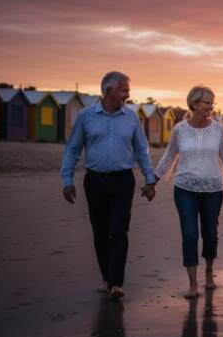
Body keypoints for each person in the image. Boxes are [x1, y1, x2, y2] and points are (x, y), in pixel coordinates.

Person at [61, 71, 156, 300]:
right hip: (94, 181)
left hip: (123, 180)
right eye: (123, 90)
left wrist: (149, 179)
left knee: (119, 230)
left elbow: (142, 150)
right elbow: (73, 149)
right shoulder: (86, 116)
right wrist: (67, 179)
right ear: (107, 91)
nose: (128, 94)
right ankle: (107, 278)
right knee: (100, 233)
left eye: (127, 90)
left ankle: (116, 283)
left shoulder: (131, 118)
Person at [154, 86, 223, 299]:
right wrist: (152, 182)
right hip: (185, 188)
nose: (210, 106)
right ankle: (193, 283)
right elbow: (169, 157)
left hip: (213, 189)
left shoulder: (218, 130)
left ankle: (209, 271)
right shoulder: (180, 130)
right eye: (206, 102)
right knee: (189, 234)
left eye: (212, 102)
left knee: (210, 234)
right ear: (194, 104)